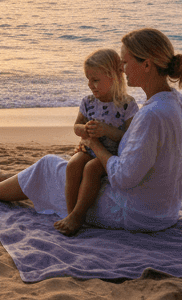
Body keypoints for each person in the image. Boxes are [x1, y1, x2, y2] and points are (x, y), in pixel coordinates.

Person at [0, 28, 182, 233]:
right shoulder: (176, 102)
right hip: (164, 210)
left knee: (48, 167)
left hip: (139, 214)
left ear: (147, 64)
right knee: (67, 166)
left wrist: (94, 145)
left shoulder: (150, 115)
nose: (123, 69)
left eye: (126, 62)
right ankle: (12, 181)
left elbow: (123, 177)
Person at [55, 48, 137, 236]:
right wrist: (84, 130)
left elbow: (130, 137)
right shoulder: (88, 102)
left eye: (96, 80)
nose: (91, 85)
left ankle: (79, 215)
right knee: (73, 164)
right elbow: (76, 126)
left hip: (111, 154)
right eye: (88, 80)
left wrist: (107, 131)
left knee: (91, 169)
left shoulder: (126, 104)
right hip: (88, 148)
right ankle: (71, 212)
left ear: (114, 77)